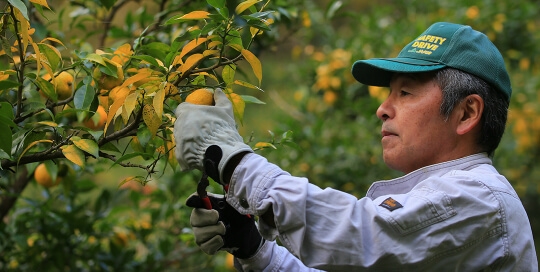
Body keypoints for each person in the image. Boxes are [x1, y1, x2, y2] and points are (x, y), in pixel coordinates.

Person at [174, 22, 538, 271]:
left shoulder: (481, 200)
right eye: (389, 93)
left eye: (405, 93)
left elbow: (359, 234)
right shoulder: (446, 202)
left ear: (466, 113)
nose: (382, 108)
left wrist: (229, 158)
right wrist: (254, 248)